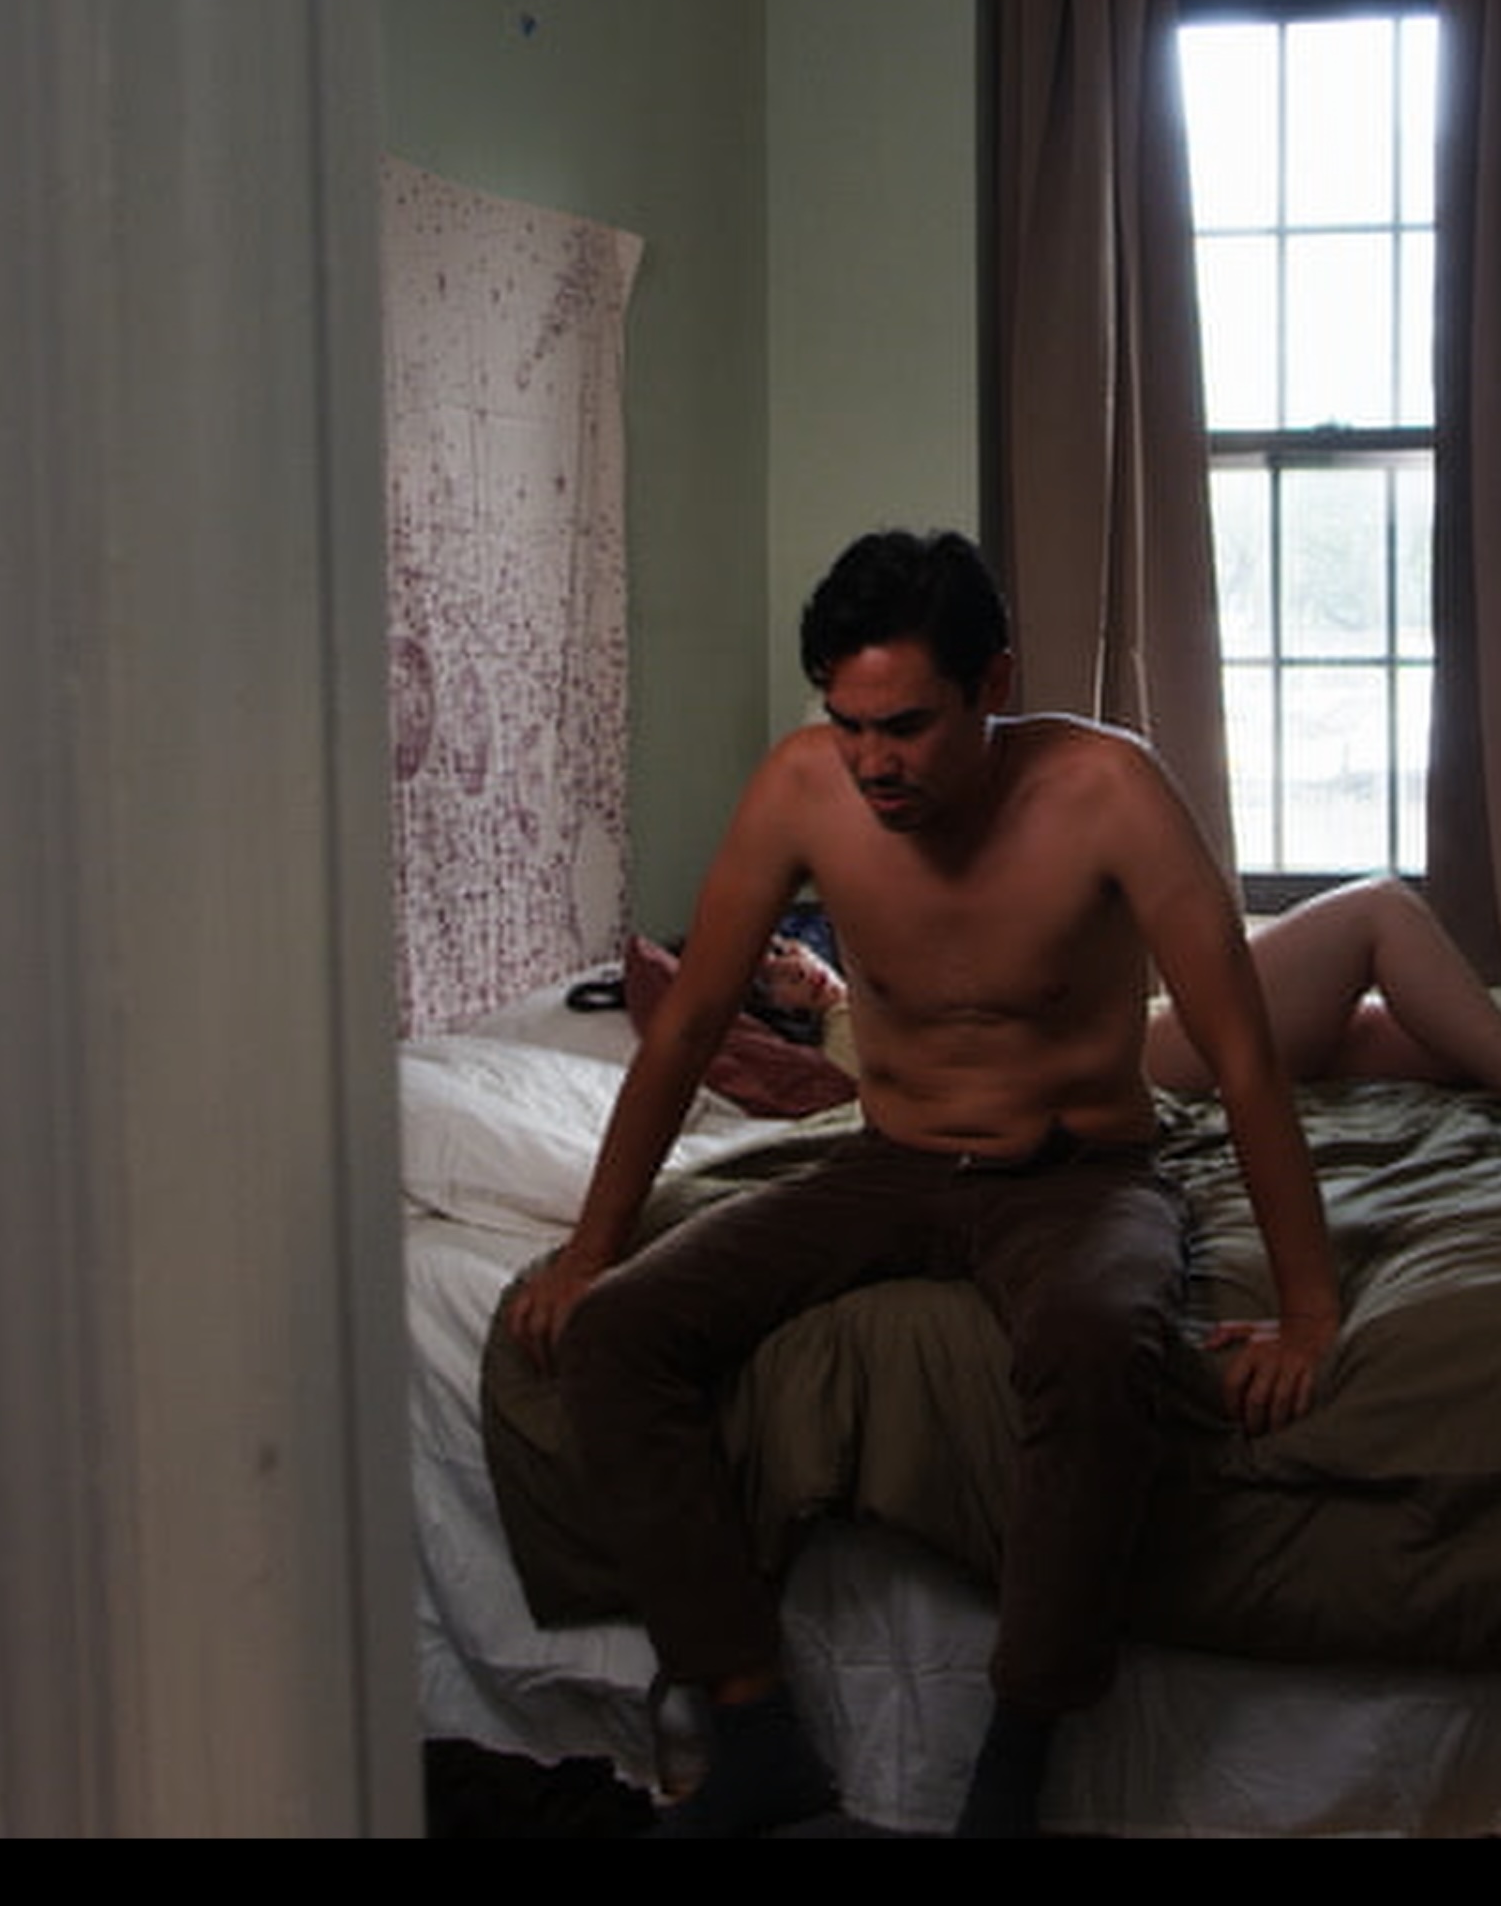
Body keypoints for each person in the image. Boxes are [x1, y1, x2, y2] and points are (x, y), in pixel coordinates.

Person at [502, 528, 1341, 1839]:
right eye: (846, 724)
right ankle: (751, 1731)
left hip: (1077, 1173)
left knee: (1097, 1341)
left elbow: (1241, 1060)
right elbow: (685, 1029)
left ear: (991, 682)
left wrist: (1310, 1311)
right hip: (885, 1161)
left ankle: (1013, 1768)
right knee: (615, 1336)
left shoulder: (1108, 792)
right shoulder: (801, 791)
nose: (872, 761)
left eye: (905, 726)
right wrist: (589, 1249)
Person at [761, 871, 1501, 1112]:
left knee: (1442, 1039)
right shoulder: (856, 1045)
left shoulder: (870, 995)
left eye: (787, 949)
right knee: (1379, 910)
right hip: (1166, 1058)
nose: (796, 963)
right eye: (776, 976)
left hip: (1162, 1034)